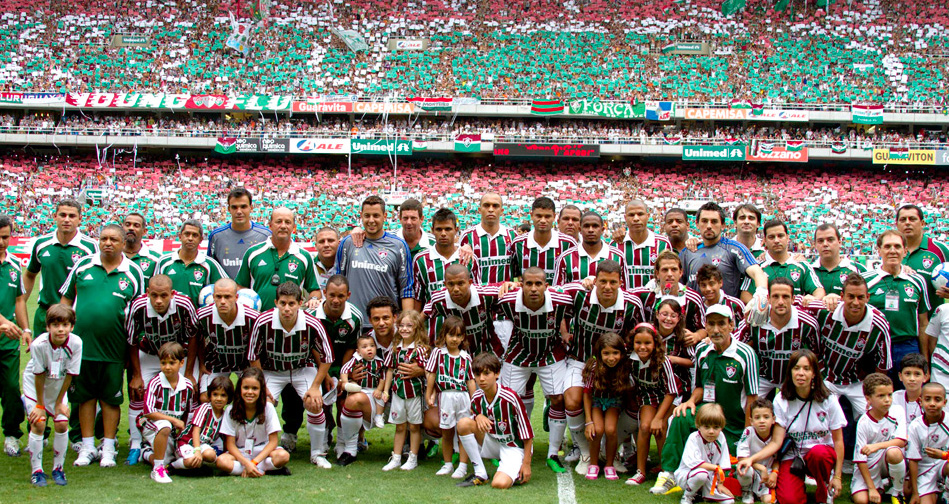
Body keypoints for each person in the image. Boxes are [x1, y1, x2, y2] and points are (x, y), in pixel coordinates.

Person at [60, 224, 145, 468]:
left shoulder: (133, 272)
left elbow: (137, 313)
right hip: (81, 348)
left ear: (122, 243)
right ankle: (87, 447)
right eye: (104, 238)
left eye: (113, 240)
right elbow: (66, 299)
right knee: (85, 398)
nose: (108, 243)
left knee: (111, 399)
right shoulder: (83, 265)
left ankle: (108, 448)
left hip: (114, 348)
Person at [651, 304, 759, 495]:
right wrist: (691, 401)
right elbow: (700, 386)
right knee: (680, 416)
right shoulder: (702, 349)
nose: (716, 330)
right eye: (711, 324)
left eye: (721, 324)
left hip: (734, 425)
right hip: (707, 416)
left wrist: (747, 434)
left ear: (731, 325)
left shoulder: (745, 354)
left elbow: (752, 399)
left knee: (733, 476)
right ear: (706, 327)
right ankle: (669, 473)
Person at [560, 260, 645, 474]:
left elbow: (638, 334)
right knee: (571, 400)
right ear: (595, 280)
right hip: (581, 359)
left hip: (615, 363)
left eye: (613, 282)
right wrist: (563, 334)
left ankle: (613, 450)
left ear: (620, 283)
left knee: (636, 400)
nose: (607, 287)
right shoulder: (579, 294)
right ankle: (586, 450)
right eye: (603, 281)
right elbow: (553, 297)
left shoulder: (632, 304)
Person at [735, 349, 846, 504]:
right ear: (790, 372)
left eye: (806, 369)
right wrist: (751, 459)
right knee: (789, 500)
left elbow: (838, 440)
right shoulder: (781, 399)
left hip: (819, 455)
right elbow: (776, 442)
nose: (801, 373)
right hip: (793, 456)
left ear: (814, 373)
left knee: (819, 454)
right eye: (796, 368)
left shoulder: (828, 399)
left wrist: (838, 476)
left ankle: (824, 493)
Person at [496, 267, 575, 473]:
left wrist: (565, 332)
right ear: (520, 285)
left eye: (538, 284)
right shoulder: (507, 301)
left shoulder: (561, 300)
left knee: (558, 398)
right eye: (528, 284)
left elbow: (575, 299)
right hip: (519, 352)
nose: (533, 289)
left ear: (546, 286)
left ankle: (552, 453)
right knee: (508, 400)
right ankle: (511, 447)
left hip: (550, 352)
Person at [248, 281, 334, 468]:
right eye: (283, 303)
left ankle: (318, 453)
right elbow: (253, 356)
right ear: (275, 302)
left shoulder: (313, 323)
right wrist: (262, 386)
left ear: (300, 303)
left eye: (291, 304)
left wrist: (315, 387)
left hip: (302, 368)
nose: (287, 309)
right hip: (273, 370)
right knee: (262, 403)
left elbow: (327, 358)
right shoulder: (262, 321)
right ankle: (263, 449)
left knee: (314, 402)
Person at [125, 274, 197, 464]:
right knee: (138, 393)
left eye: (164, 296)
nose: (158, 301)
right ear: (147, 293)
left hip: (178, 356)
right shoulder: (138, 306)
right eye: (154, 295)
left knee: (191, 393)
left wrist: (189, 372)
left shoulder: (184, 304)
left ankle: (187, 439)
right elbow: (131, 341)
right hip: (150, 354)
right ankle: (135, 444)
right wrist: (136, 375)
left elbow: (194, 336)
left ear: (172, 294)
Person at [804, 272, 892, 420]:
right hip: (826, 377)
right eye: (851, 296)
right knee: (816, 416)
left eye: (860, 297)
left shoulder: (878, 325)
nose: (856, 302)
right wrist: (808, 298)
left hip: (857, 380)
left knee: (877, 416)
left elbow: (882, 365)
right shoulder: (825, 310)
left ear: (868, 297)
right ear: (842, 296)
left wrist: (876, 394)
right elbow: (792, 303)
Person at [22, 305, 81, 487]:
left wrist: (58, 403)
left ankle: (58, 468)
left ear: (71, 326)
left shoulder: (76, 343)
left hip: (59, 384)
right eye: (55, 325)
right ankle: (37, 471)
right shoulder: (38, 344)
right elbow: (38, 376)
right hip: (36, 385)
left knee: (62, 423)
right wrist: (40, 406)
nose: (60, 329)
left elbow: (70, 374)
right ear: (48, 327)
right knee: (39, 424)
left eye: (65, 324)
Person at [455, 352, 533, 489]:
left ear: (497, 374)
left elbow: (527, 434)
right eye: (478, 375)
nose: (482, 379)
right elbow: (474, 413)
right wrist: (478, 416)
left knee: (499, 484)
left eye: (486, 374)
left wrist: (526, 464)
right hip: (492, 441)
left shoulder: (510, 398)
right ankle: (480, 473)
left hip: (513, 446)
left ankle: (509, 467)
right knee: (463, 424)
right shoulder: (477, 398)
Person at [25, 199, 98, 340]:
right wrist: (20, 303)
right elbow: (29, 275)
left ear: (80, 219)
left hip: (76, 315)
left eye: (72, 216)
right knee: (41, 360)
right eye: (62, 215)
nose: (67, 220)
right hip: (45, 313)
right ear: (54, 217)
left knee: (74, 360)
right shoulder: (42, 244)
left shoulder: (90, 247)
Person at [738, 277, 822, 398]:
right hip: (761, 376)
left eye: (785, 296)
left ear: (793, 299)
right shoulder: (755, 318)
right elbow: (735, 343)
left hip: (791, 379)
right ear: (769, 299)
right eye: (776, 296)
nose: (781, 302)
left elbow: (816, 355)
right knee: (746, 407)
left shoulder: (807, 324)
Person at [306, 274, 362, 452]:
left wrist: (342, 376)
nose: (336, 300)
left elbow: (351, 348)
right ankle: (323, 438)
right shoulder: (311, 316)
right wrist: (326, 376)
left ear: (348, 295)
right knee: (319, 402)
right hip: (317, 365)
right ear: (324, 293)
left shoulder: (355, 317)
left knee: (343, 400)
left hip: (342, 364)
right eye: (332, 295)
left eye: (341, 296)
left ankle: (343, 442)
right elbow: (312, 348)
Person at [863, 230, 929, 377]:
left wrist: (925, 359)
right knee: (877, 395)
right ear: (879, 250)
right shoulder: (865, 280)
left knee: (907, 394)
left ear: (905, 251)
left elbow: (923, 322)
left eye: (897, 246)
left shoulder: (918, 281)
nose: (892, 251)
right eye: (887, 247)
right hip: (874, 346)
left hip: (907, 346)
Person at [336, 195, 414, 316]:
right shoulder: (348, 243)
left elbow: (406, 289)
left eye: (376, 215)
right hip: (354, 320)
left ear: (385, 216)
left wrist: (407, 320)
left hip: (386, 322)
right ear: (361, 216)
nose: (371, 220)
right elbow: (338, 280)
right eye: (367, 216)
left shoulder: (398, 246)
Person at [680, 202, 769, 304]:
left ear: (723, 225)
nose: (709, 226)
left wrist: (761, 294)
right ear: (697, 224)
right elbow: (678, 284)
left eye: (714, 221)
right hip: (696, 317)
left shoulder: (735, 248)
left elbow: (757, 272)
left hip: (727, 317)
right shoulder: (687, 252)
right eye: (704, 221)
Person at [235, 207, 321, 312]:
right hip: (258, 319)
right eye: (279, 221)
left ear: (294, 227)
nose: (283, 226)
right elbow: (239, 287)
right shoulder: (253, 253)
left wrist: (314, 299)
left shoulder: (304, 256)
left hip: (291, 322)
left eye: (288, 222)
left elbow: (315, 290)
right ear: (270, 225)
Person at [190, 279, 259, 403]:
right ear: (213, 297)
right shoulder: (202, 315)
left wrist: (258, 377)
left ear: (236, 297)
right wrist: (201, 362)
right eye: (218, 297)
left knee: (250, 398)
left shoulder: (253, 318)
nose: (223, 301)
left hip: (244, 365)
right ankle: (213, 422)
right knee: (205, 398)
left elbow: (258, 348)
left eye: (227, 297)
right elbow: (195, 338)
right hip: (216, 363)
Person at [625, 324, 678, 485]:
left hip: (667, 398)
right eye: (638, 342)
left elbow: (671, 392)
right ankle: (640, 471)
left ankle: (665, 469)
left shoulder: (663, 361)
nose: (642, 347)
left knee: (660, 427)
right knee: (645, 426)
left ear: (655, 343)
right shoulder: (630, 360)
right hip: (647, 397)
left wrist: (659, 418)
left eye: (647, 343)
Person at [425, 316, 476, 478]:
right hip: (446, 396)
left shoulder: (466, 357)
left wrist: (474, 401)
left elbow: (470, 381)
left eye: (458, 335)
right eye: (451, 335)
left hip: (463, 398)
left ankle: (462, 465)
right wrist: (429, 394)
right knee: (446, 431)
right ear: (444, 335)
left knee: (464, 432)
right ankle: (447, 464)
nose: (454, 339)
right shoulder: (438, 354)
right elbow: (432, 375)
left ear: (463, 338)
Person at [216, 367, 290, 477]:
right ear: (239, 388)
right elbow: (230, 445)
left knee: (283, 456)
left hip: (263, 452)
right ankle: (257, 469)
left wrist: (254, 462)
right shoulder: (230, 410)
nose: (250, 392)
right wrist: (246, 462)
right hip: (240, 452)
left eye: (254, 388)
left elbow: (273, 442)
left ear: (261, 390)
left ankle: (250, 469)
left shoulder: (268, 408)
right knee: (221, 461)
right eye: (246, 388)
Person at [140, 342, 196, 484]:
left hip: (173, 430)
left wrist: (182, 430)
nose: (167, 367)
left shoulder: (187, 386)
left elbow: (187, 413)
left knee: (178, 458)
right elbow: (148, 412)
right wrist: (173, 421)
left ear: (181, 363)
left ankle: (146, 453)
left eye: (172, 363)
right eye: (163, 363)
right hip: (152, 425)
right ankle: (158, 470)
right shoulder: (155, 383)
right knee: (164, 425)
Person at [380, 309, 430, 472]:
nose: (405, 329)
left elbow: (428, 371)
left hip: (415, 393)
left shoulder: (421, 349)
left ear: (417, 328)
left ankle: (412, 457)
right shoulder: (395, 348)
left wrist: (429, 393)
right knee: (400, 426)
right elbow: (389, 370)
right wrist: (386, 390)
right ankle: (396, 457)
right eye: (401, 325)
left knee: (414, 427)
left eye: (409, 325)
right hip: (398, 393)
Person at [422, 264, 505, 356]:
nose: (456, 289)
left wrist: (513, 284)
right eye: (451, 284)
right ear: (445, 284)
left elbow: (509, 288)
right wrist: (419, 344)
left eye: (460, 283)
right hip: (457, 355)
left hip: (488, 351)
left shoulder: (486, 293)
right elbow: (418, 319)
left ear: (470, 283)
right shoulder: (438, 299)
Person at [581, 331, 631, 481]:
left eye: (615, 353)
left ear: (622, 353)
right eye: (606, 353)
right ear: (599, 353)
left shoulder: (624, 366)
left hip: (614, 402)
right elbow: (587, 394)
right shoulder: (594, 366)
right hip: (597, 401)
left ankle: (609, 464)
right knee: (597, 430)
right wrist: (588, 421)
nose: (611, 358)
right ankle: (593, 463)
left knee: (610, 430)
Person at [851, 373, 907, 504]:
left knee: (894, 452)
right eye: (881, 396)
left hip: (886, 458)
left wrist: (876, 446)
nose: (887, 400)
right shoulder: (863, 422)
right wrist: (871, 489)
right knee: (861, 500)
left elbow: (902, 441)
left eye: (890, 394)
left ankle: (898, 492)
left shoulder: (897, 411)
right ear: (868, 399)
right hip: (869, 465)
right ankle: (878, 486)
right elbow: (860, 459)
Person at [740, 220, 825, 302]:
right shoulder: (756, 267)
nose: (776, 240)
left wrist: (813, 299)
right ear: (764, 240)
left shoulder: (802, 265)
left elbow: (819, 291)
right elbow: (745, 295)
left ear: (787, 238)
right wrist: (762, 307)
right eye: (771, 237)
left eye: (780, 236)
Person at [414, 208, 480, 312]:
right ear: (432, 230)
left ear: (456, 230)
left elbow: (477, 294)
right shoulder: (421, 260)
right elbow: (418, 298)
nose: (443, 233)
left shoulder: (469, 258)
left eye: (448, 229)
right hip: (434, 324)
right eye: (439, 229)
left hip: (464, 323)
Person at [0, 214, 28, 457]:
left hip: (7, 342)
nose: (1, 242)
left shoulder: (13, 265)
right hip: (4, 329)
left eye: (5, 237)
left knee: (10, 387)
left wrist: (26, 328)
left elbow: (19, 300)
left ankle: (11, 434)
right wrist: (3, 321)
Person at [631, 250, 706, 340]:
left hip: (681, 349)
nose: (670, 274)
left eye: (674, 269)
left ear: (681, 272)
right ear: (657, 274)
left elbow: (704, 328)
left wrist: (696, 336)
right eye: (665, 270)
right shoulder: (645, 295)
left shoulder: (692, 299)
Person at [336, 334, 386, 465]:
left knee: (381, 399)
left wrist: (380, 389)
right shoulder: (356, 360)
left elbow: (383, 376)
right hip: (362, 389)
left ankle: (379, 416)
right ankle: (350, 449)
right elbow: (344, 369)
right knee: (352, 400)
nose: (369, 349)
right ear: (358, 351)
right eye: (365, 347)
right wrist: (345, 382)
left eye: (372, 346)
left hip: (379, 391)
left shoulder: (380, 362)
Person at [155, 220, 227, 308]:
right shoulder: (164, 262)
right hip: (169, 319)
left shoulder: (209, 264)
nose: (190, 238)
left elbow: (227, 287)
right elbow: (153, 288)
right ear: (180, 236)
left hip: (197, 320)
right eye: (187, 234)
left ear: (201, 239)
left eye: (195, 235)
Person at [674, 403, 735, 504]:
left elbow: (723, 463)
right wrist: (716, 468)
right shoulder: (693, 438)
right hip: (688, 476)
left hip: (710, 478)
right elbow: (695, 463)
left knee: (729, 501)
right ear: (698, 425)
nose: (711, 431)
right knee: (702, 474)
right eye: (707, 427)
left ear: (722, 427)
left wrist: (720, 484)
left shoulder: (721, 437)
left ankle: (703, 493)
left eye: (716, 427)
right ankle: (688, 496)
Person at [508, 197, 577, 284]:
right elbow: (514, 274)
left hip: (558, 297)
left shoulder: (568, 243)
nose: (543, 220)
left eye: (547, 216)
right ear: (531, 215)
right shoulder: (518, 243)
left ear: (554, 217)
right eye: (539, 216)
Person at [207, 187, 271, 279]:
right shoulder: (216, 236)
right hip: (226, 292)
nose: (239, 211)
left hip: (255, 292)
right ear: (229, 209)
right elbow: (210, 269)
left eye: (243, 207)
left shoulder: (266, 235)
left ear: (251, 207)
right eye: (234, 207)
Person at [897, 204, 949, 317]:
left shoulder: (940, 250)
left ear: (922, 224)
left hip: (932, 325)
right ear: (896, 224)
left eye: (912, 219)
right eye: (903, 219)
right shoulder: (892, 251)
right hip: (902, 329)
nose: (907, 223)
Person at [172, 375, 233, 471]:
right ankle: (173, 465)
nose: (219, 398)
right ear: (210, 395)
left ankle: (199, 463)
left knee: (211, 455)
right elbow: (195, 431)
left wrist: (226, 453)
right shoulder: (204, 408)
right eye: (215, 394)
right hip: (187, 443)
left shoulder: (225, 415)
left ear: (229, 398)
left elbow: (225, 437)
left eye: (223, 395)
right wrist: (197, 450)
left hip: (203, 444)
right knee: (190, 461)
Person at [553, 211, 627, 287]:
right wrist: (580, 285)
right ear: (580, 230)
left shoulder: (618, 257)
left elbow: (624, 289)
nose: (591, 230)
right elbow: (559, 291)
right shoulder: (566, 258)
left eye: (595, 226)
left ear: (602, 230)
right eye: (586, 226)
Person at [612, 199, 672, 289]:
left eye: (640, 214)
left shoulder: (663, 244)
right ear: (625, 218)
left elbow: (670, 277)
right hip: (626, 301)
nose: (636, 219)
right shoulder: (616, 244)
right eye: (631, 215)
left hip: (655, 301)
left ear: (648, 216)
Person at [906, 382, 949, 504]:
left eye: (938, 399)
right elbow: (913, 460)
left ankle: (947, 494)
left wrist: (943, 455)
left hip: (943, 466)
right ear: (920, 401)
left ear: (944, 402)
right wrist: (915, 493)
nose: (932, 404)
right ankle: (933, 493)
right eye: (928, 399)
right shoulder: (915, 426)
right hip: (923, 470)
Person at [735, 398, 778, 504]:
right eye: (757, 417)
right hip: (752, 470)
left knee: (769, 500)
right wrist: (761, 468)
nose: (762, 421)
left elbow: (779, 458)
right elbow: (742, 458)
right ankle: (747, 490)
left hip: (767, 475)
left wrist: (774, 473)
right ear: (751, 421)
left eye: (766, 417)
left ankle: (761, 493)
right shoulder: (749, 432)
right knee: (744, 468)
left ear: (773, 419)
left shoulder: (776, 434)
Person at [653, 299, 696, 402]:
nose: (668, 319)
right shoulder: (649, 333)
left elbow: (693, 362)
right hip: (653, 384)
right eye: (664, 314)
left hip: (679, 386)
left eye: (673, 316)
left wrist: (673, 359)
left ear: (679, 318)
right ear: (657, 314)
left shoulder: (683, 336)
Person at [810, 223, 865, 297]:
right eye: (820, 241)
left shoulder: (858, 269)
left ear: (839, 243)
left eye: (830, 240)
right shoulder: (808, 271)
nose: (825, 244)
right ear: (815, 245)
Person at [696, 264, 745, 329]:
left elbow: (747, 329)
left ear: (720, 282)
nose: (708, 289)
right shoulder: (697, 306)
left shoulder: (735, 305)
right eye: (703, 285)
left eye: (711, 283)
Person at [122, 212, 164, 283]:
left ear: (144, 231)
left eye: (136, 225)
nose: (131, 228)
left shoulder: (157, 260)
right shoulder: (112, 256)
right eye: (128, 225)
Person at [893, 353, 928, 426]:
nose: (912, 379)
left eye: (917, 374)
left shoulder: (930, 399)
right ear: (900, 376)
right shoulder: (894, 398)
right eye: (907, 374)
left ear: (925, 377)